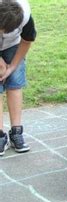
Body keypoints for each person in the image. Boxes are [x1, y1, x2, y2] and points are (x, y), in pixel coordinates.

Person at [0, 0, 36, 156]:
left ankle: (16, 132)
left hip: (13, 45)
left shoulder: (25, 18)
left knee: (15, 82)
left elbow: (27, 41)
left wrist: (12, 67)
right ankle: (0, 135)